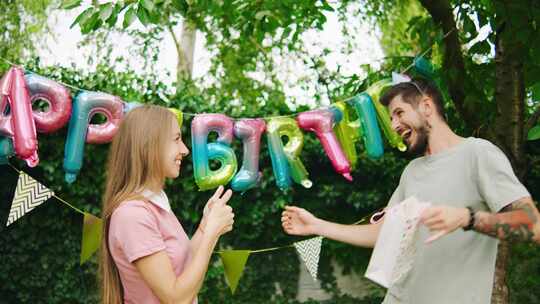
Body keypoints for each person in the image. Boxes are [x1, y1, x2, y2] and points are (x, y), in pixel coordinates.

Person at [281, 78, 540, 304]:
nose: (394, 125)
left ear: (426, 106)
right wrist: (317, 226)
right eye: (392, 117)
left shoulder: (477, 153)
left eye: (399, 113)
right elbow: (382, 233)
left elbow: (533, 225)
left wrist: (467, 218)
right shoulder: (412, 172)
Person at [99, 105, 235, 304]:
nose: (185, 150)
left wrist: (206, 227)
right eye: (176, 139)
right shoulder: (132, 214)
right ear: (149, 146)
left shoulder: (155, 205)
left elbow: (183, 266)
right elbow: (176, 298)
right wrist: (211, 234)